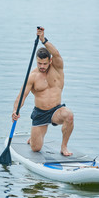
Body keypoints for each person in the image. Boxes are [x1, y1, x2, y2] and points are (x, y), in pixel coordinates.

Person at [12, 27, 74, 156]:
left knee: (69, 115)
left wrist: (43, 40)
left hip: (56, 111)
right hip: (40, 114)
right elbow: (22, 96)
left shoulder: (57, 68)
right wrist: (15, 111)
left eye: (45, 64)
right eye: (39, 63)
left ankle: (64, 147)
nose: (42, 66)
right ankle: (34, 138)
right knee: (36, 148)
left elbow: (56, 53)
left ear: (50, 61)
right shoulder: (33, 76)